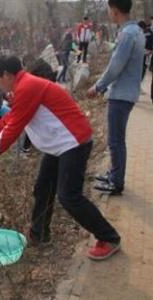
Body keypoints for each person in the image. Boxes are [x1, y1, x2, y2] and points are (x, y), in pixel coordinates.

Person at [0, 55, 121, 260]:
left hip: (72, 142)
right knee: (43, 188)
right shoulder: (24, 87)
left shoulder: (28, 86)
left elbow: (15, 126)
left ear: (6, 75)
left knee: (69, 196)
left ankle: (109, 238)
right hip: (58, 146)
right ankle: (39, 235)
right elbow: (11, 118)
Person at [87, 0, 145, 195]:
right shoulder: (136, 31)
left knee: (115, 140)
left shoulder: (127, 34)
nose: (108, 14)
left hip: (121, 94)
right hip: (127, 92)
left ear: (115, 10)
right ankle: (114, 174)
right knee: (117, 139)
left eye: (109, 10)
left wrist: (98, 86)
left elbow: (115, 66)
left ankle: (116, 181)